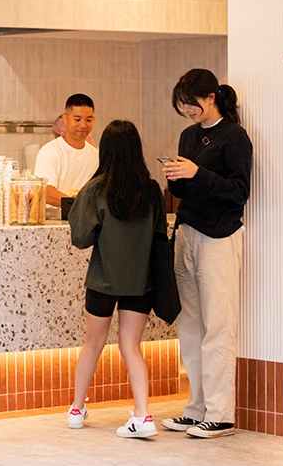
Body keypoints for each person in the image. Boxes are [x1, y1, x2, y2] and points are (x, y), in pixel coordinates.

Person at [161, 69, 251, 439]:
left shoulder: (234, 136)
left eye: (191, 102)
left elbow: (238, 192)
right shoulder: (188, 135)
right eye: (182, 104)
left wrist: (197, 173)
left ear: (211, 97)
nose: (187, 109)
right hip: (187, 231)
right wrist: (175, 176)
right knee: (190, 326)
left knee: (218, 325)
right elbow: (186, 190)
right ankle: (195, 408)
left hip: (219, 235)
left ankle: (220, 413)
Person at [66, 120, 167, 439]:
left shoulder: (96, 189)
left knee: (93, 343)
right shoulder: (151, 190)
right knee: (131, 347)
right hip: (141, 282)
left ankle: (76, 410)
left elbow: (81, 238)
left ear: (105, 151)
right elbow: (160, 233)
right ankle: (143, 414)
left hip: (103, 280)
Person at [34, 93, 99, 207]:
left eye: (88, 120)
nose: (83, 125)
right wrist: (78, 205)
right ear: (65, 118)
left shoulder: (96, 155)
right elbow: (46, 192)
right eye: (77, 119)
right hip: (55, 216)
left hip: (85, 216)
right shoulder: (50, 151)